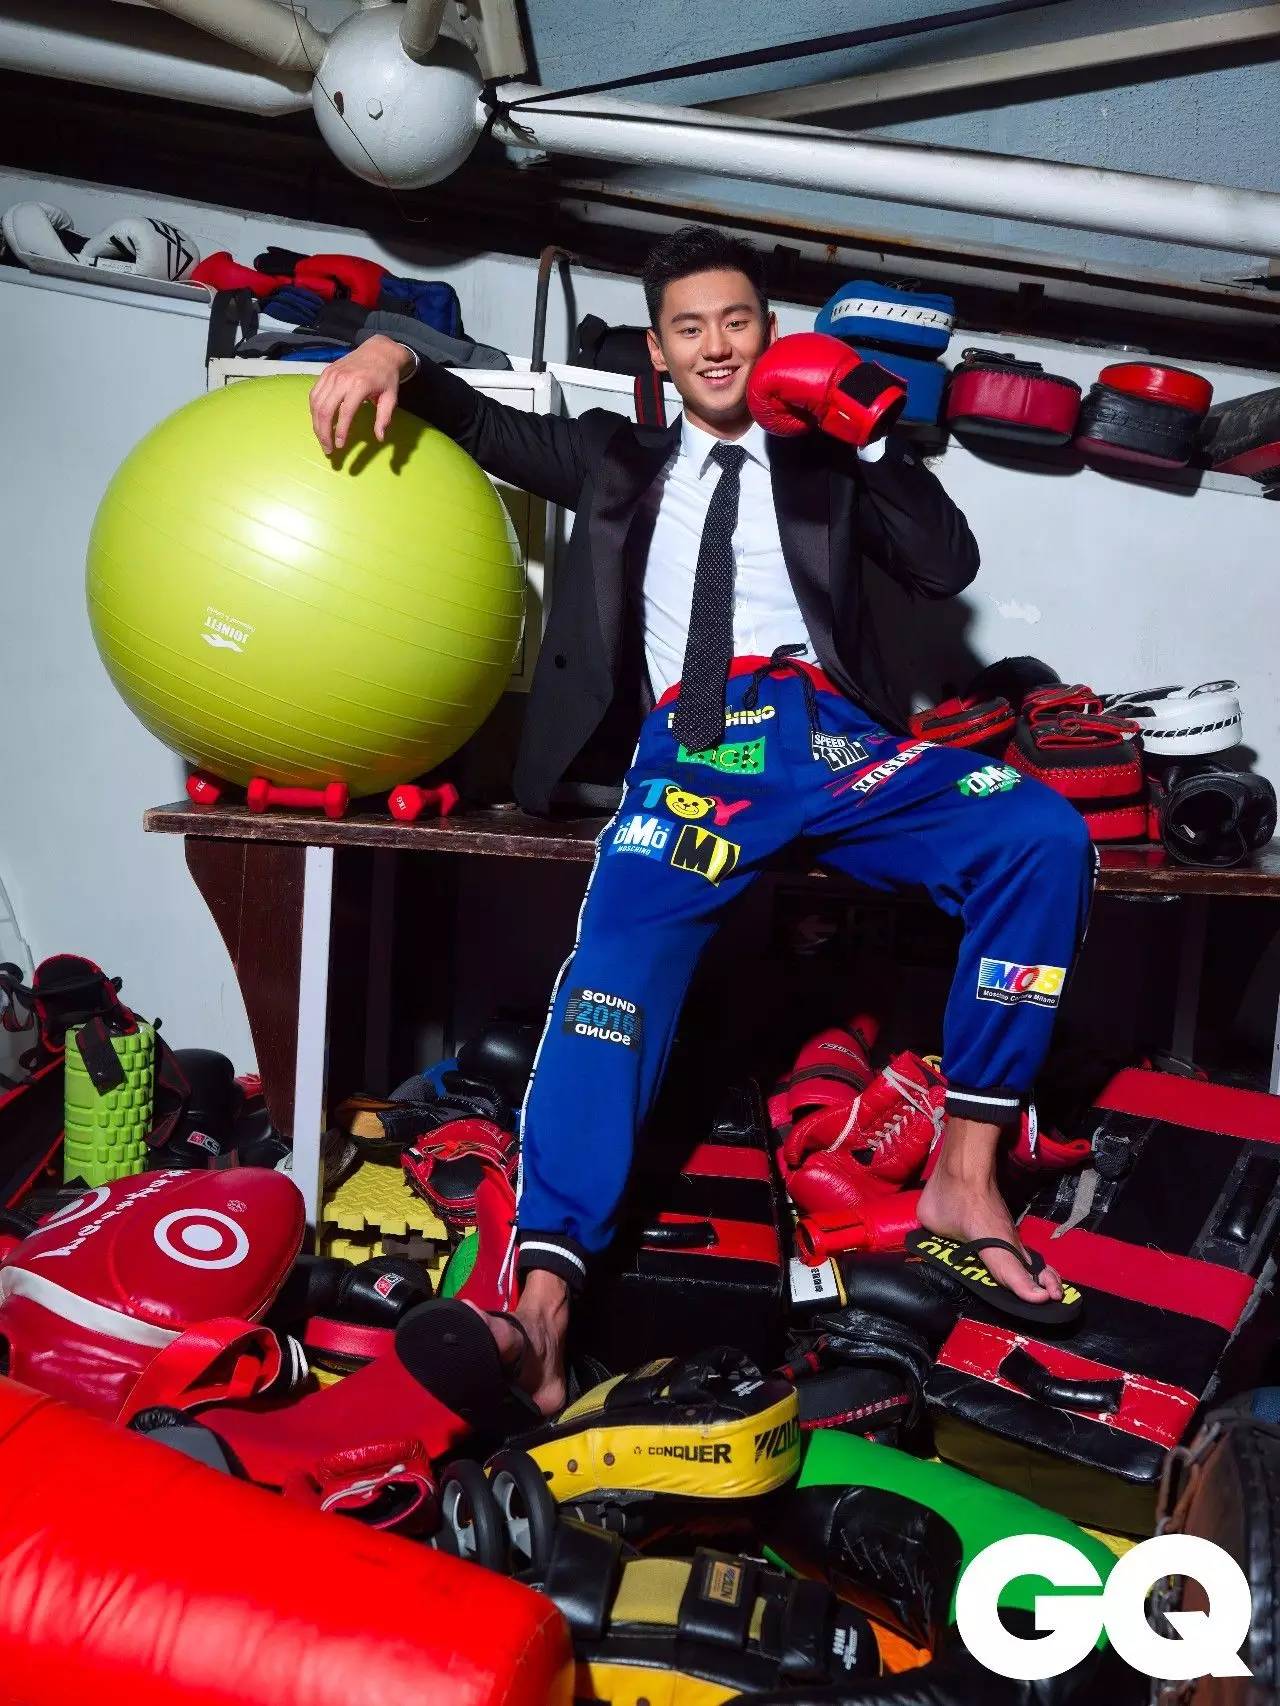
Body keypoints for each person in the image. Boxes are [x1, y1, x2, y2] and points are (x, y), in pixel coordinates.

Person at [310, 225, 1094, 1414]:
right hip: (696, 751)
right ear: (660, 351)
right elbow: (469, 414)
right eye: (690, 328)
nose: (716, 345)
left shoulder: (828, 456)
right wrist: (386, 348)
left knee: (1040, 837)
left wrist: (870, 427)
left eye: (735, 321)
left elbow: (945, 565)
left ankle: (964, 1178)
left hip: (837, 743)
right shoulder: (612, 457)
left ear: (767, 334)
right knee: (612, 972)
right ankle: (541, 1310)